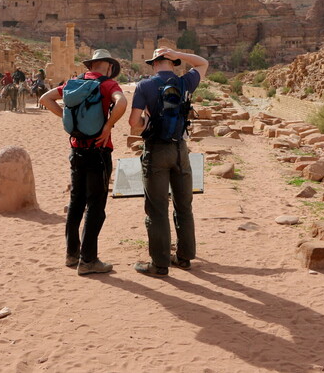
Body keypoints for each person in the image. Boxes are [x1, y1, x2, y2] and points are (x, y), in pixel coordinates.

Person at [39, 49, 127, 276]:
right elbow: (122, 102)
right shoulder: (107, 85)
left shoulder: (72, 84)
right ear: (108, 66)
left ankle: (72, 254)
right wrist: (107, 127)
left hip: (76, 150)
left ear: (91, 65)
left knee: (76, 201)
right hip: (98, 151)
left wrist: (68, 119)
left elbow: (45, 99)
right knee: (96, 206)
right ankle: (88, 260)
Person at [129, 47, 208, 278]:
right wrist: (179, 53)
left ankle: (160, 264)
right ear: (173, 63)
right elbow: (203, 63)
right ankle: (184, 258)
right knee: (184, 206)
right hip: (180, 150)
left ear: (154, 64)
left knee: (157, 209)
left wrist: (147, 121)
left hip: (156, 151)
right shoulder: (185, 82)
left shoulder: (145, 86)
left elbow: (134, 122)